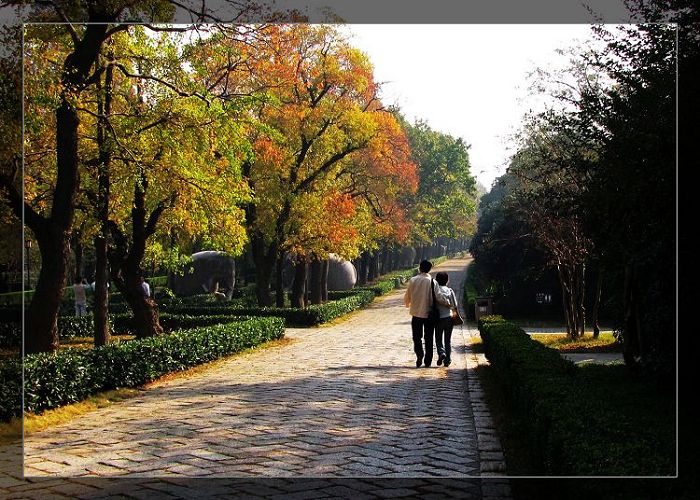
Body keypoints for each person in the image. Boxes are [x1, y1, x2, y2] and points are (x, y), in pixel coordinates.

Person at [404, 260, 450, 368]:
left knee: (416, 337)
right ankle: (428, 360)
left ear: (419, 268)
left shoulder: (413, 280)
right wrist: (447, 303)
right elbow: (438, 297)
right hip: (429, 314)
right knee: (428, 338)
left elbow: (408, 295)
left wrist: (408, 303)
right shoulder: (432, 282)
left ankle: (419, 354)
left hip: (416, 313)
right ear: (430, 269)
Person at [434, 272, 459, 367]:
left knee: (438, 339)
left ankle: (441, 353)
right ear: (447, 280)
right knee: (447, 340)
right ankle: (447, 360)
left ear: (436, 280)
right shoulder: (450, 290)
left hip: (438, 318)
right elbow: (455, 305)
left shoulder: (435, 291)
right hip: (449, 318)